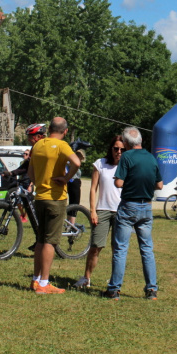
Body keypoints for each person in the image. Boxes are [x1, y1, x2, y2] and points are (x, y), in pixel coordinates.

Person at [104, 126, 162, 301]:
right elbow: (159, 185)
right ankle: (151, 289)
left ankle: (114, 289)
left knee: (121, 248)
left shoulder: (126, 157)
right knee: (147, 249)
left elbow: (119, 183)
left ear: (126, 142)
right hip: (146, 207)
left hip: (129, 206)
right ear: (141, 141)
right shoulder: (151, 158)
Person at [27, 116, 80, 295]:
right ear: (65, 131)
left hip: (39, 198)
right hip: (55, 199)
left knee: (40, 240)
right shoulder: (63, 145)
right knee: (50, 241)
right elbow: (77, 162)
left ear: (49, 129)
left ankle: (35, 280)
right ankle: (44, 283)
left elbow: (30, 173)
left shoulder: (37, 145)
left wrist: (40, 183)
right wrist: (65, 179)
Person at [73, 135, 123, 289]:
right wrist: (93, 211)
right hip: (102, 210)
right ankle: (86, 278)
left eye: (122, 149)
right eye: (116, 148)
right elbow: (93, 189)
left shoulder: (127, 165)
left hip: (121, 211)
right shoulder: (100, 164)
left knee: (118, 249)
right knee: (95, 246)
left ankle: (114, 281)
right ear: (111, 148)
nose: (119, 152)